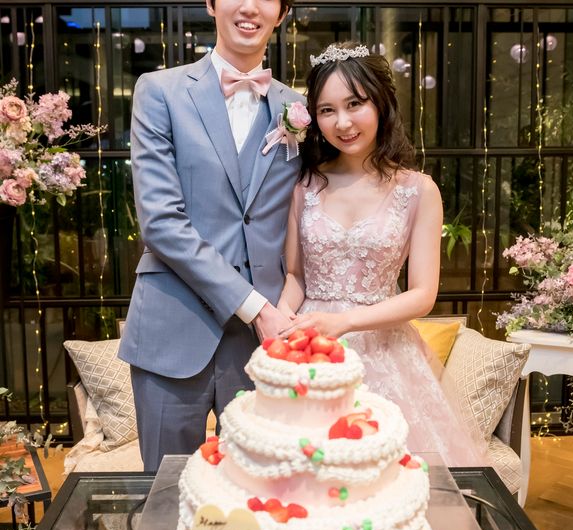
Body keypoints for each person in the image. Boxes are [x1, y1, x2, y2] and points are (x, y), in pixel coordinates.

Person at [278, 42, 487, 466]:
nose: (343, 122)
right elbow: (296, 277)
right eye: (327, 110)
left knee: (387, 476)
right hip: (314, 350)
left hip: (386, 351)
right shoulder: (305, 186)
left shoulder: (418, 190)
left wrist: (345, 322)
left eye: (355, 104)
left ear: (380, 102)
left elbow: (423, 295)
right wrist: (280, 324)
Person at [118, 0, 304, 471]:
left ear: (282, 13)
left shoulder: (298, 107)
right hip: (174, 328)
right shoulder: (160, 91)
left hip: (263, 346)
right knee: (167, 491)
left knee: (257, 489)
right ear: (210, 3)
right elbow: (161, 222)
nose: (249, 7)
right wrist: (255, 307)